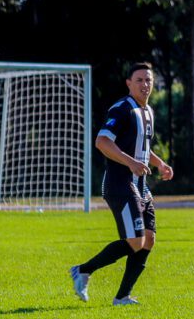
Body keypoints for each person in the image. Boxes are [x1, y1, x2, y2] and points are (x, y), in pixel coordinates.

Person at [70, 63, 173, 306]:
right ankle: (83, 270)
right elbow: (102, 141)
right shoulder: (122, 109)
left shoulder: (147, 111)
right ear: (129, 83)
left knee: (148, 239)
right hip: (120, 184)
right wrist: (131, 163)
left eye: (148, 80)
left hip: (141, 185)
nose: (145, 84)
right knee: (135, 241)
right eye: (139, 80)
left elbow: (142, 148)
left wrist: (159, 163)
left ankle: (122, 297)